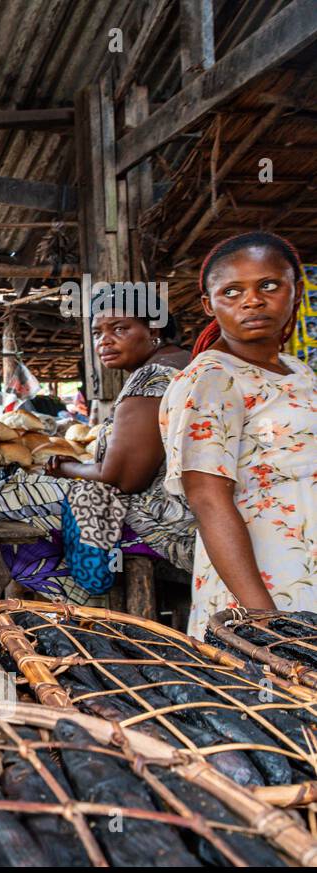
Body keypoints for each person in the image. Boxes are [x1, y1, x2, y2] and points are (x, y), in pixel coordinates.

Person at [0, 294, 196, 602]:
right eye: (98, 333)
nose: (105, 341)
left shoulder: (152, 378)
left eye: (119, 329)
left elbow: (124, 479)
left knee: (0, 502)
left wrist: (65, 468)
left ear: (154, 331)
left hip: (163, 522)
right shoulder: (188, 363)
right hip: (191, 513)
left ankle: (87, 606)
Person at [160, 231, 316, 635]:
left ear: (295, 291)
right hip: (265, 582)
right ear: (208, 305)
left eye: (269, 285)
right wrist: (264, 621)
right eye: (232, 291)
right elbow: (208, 499)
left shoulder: (297, 369)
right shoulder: (212, 379)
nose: (252, 300)